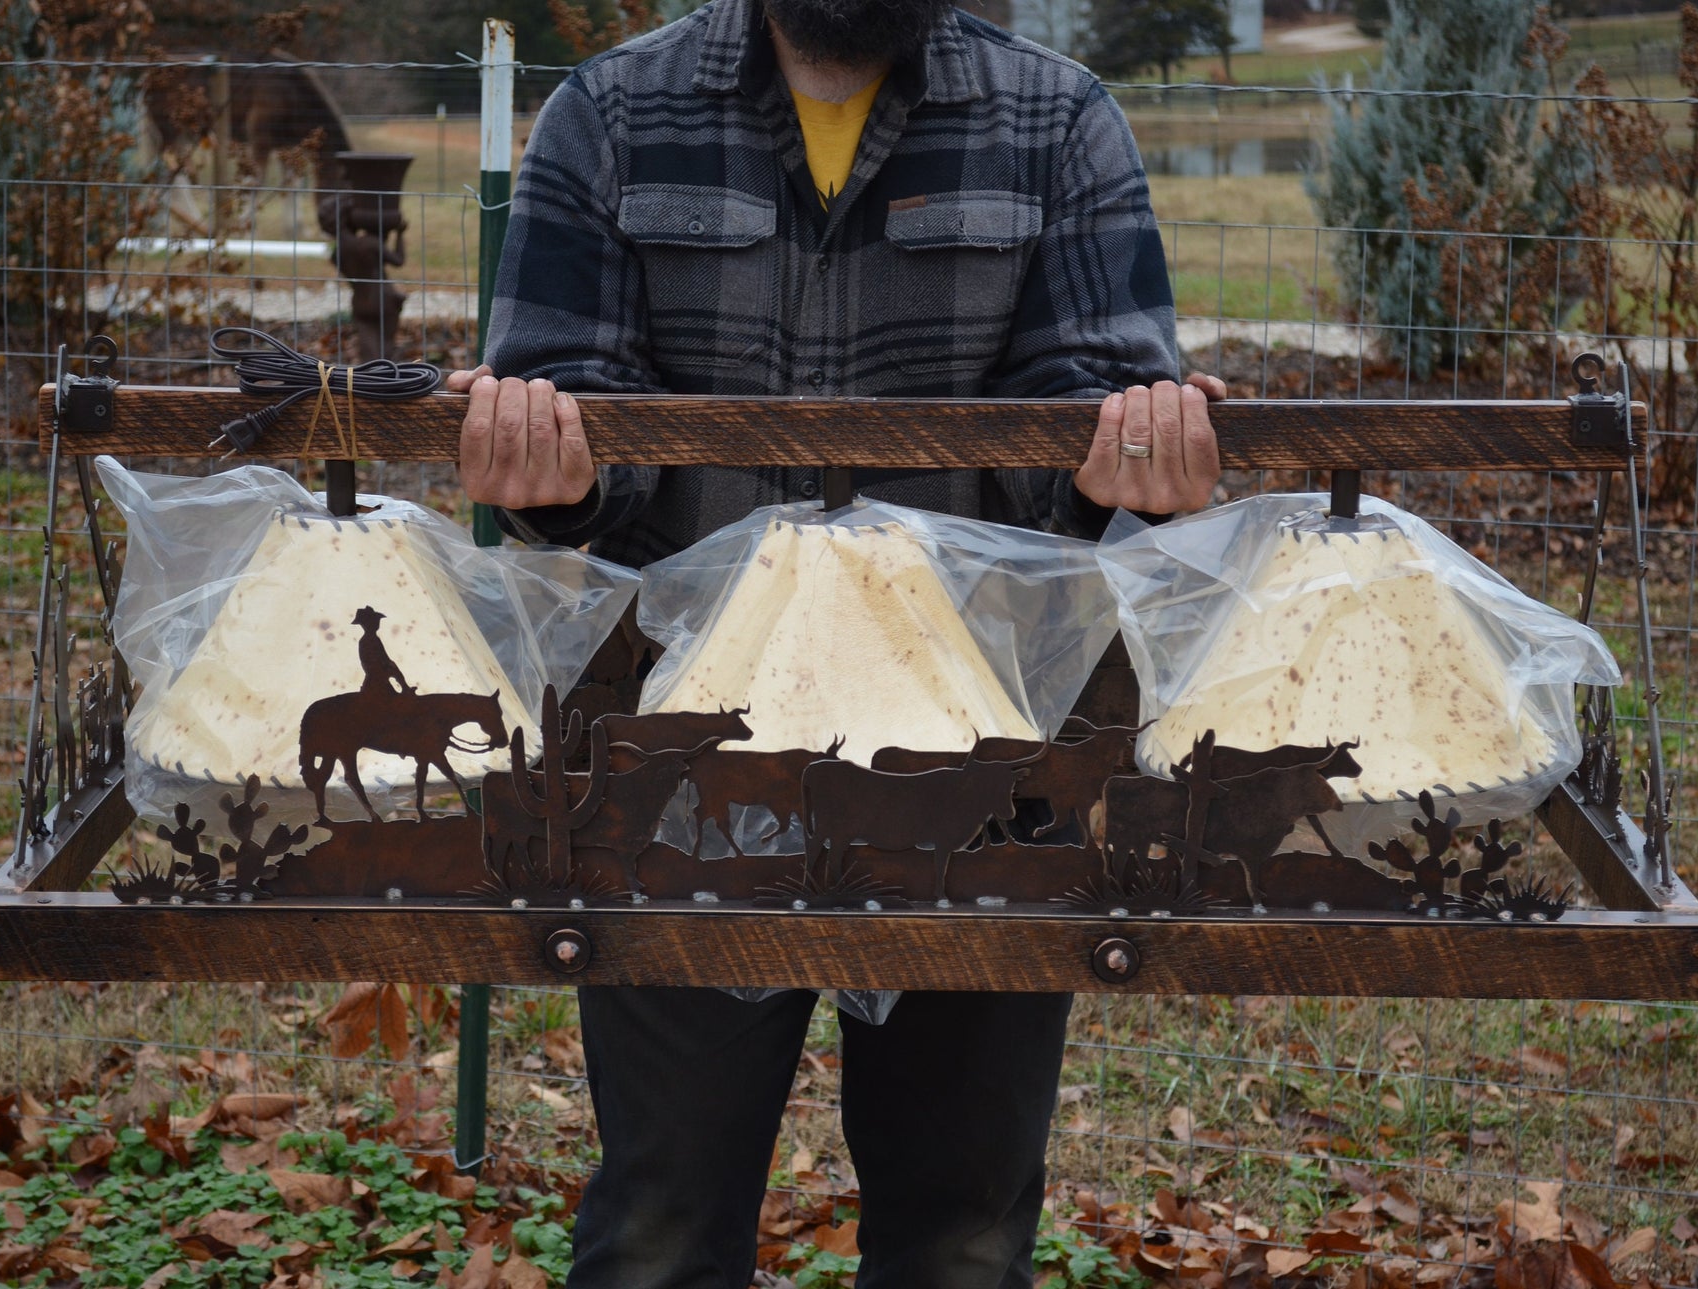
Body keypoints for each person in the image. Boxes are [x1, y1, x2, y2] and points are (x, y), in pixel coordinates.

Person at [448, 0, 1224, 1283]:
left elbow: (1082, 432)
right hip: (680, 779)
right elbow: (572, 407)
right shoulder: (613, 117)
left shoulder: (1054, 121)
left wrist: (1121, 462)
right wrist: (553, 468)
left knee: (961, 1239)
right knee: (659, 1229)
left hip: (978, 788)